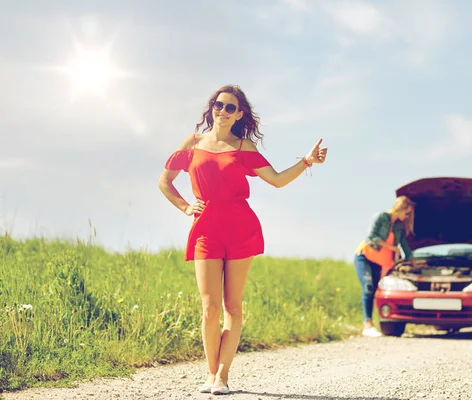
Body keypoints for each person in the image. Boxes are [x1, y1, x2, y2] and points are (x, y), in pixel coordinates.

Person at [158, 85, 328, 395]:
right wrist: (185, 206)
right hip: (206, 229)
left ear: (239, 114)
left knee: (232, 306)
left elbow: (276, 180)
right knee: (209, 307)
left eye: (229, 107)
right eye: (218, 105)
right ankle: (210, 374)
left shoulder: (243, 147)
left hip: (240, 228)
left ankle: (223, 375)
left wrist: (306, 161)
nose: (222, 110)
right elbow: (165, 182)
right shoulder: (193, 143)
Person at [353, 196, 415, 337]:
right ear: (400, 207)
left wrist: (412, 260)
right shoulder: (381, 217)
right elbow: (372, 237)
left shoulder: (399, 226)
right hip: (364, 256)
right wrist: (391, 248)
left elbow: (404, 244)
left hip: (378, 262)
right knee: (368, 288)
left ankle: (374, 324)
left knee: (375, 290)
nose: (407, 217)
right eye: (407, 213)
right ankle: (367, 324)